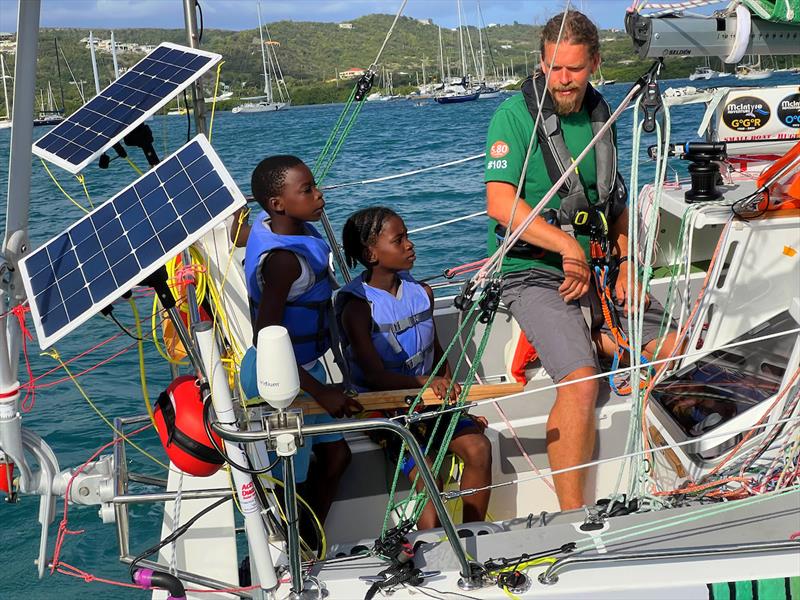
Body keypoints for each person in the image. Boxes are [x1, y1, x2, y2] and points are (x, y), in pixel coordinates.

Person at [484, 10, 678, 510]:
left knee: (678, 344)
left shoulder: (600, 115)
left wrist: (630, 263)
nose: (562, 81)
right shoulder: (513, 116)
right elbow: (501, 204)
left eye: (573, 69)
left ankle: (676, 482)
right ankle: (574, 518)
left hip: (598, 267)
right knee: (579, 382)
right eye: (552, 68)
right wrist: (568, 247)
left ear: (594, 61)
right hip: (533, 270)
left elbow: (614, 204)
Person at [337, 206, 492, 530]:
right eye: (399, 240)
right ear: (371, 253)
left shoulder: (423, 293)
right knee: (428, 471)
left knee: (478, 447)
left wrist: (450, 394)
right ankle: (432, 546)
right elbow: (375, 376)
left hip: (427, 399)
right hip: (384, 408)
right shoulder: (357, 307)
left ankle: (474, 531)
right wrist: (425, 383)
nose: (410, 245)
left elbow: (436, 353)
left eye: (407, 236)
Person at [239, 155, 362, 526]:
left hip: (304, 370)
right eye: (306, 190)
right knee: (292, 476)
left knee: (338, 455)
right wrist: (321, 392)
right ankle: (297, 546)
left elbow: (242, 230)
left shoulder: (275, 226)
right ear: (278, 204)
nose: (319, 195)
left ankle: (312, 536)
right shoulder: (283, 262)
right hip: (276, 378)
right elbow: (265, 339)